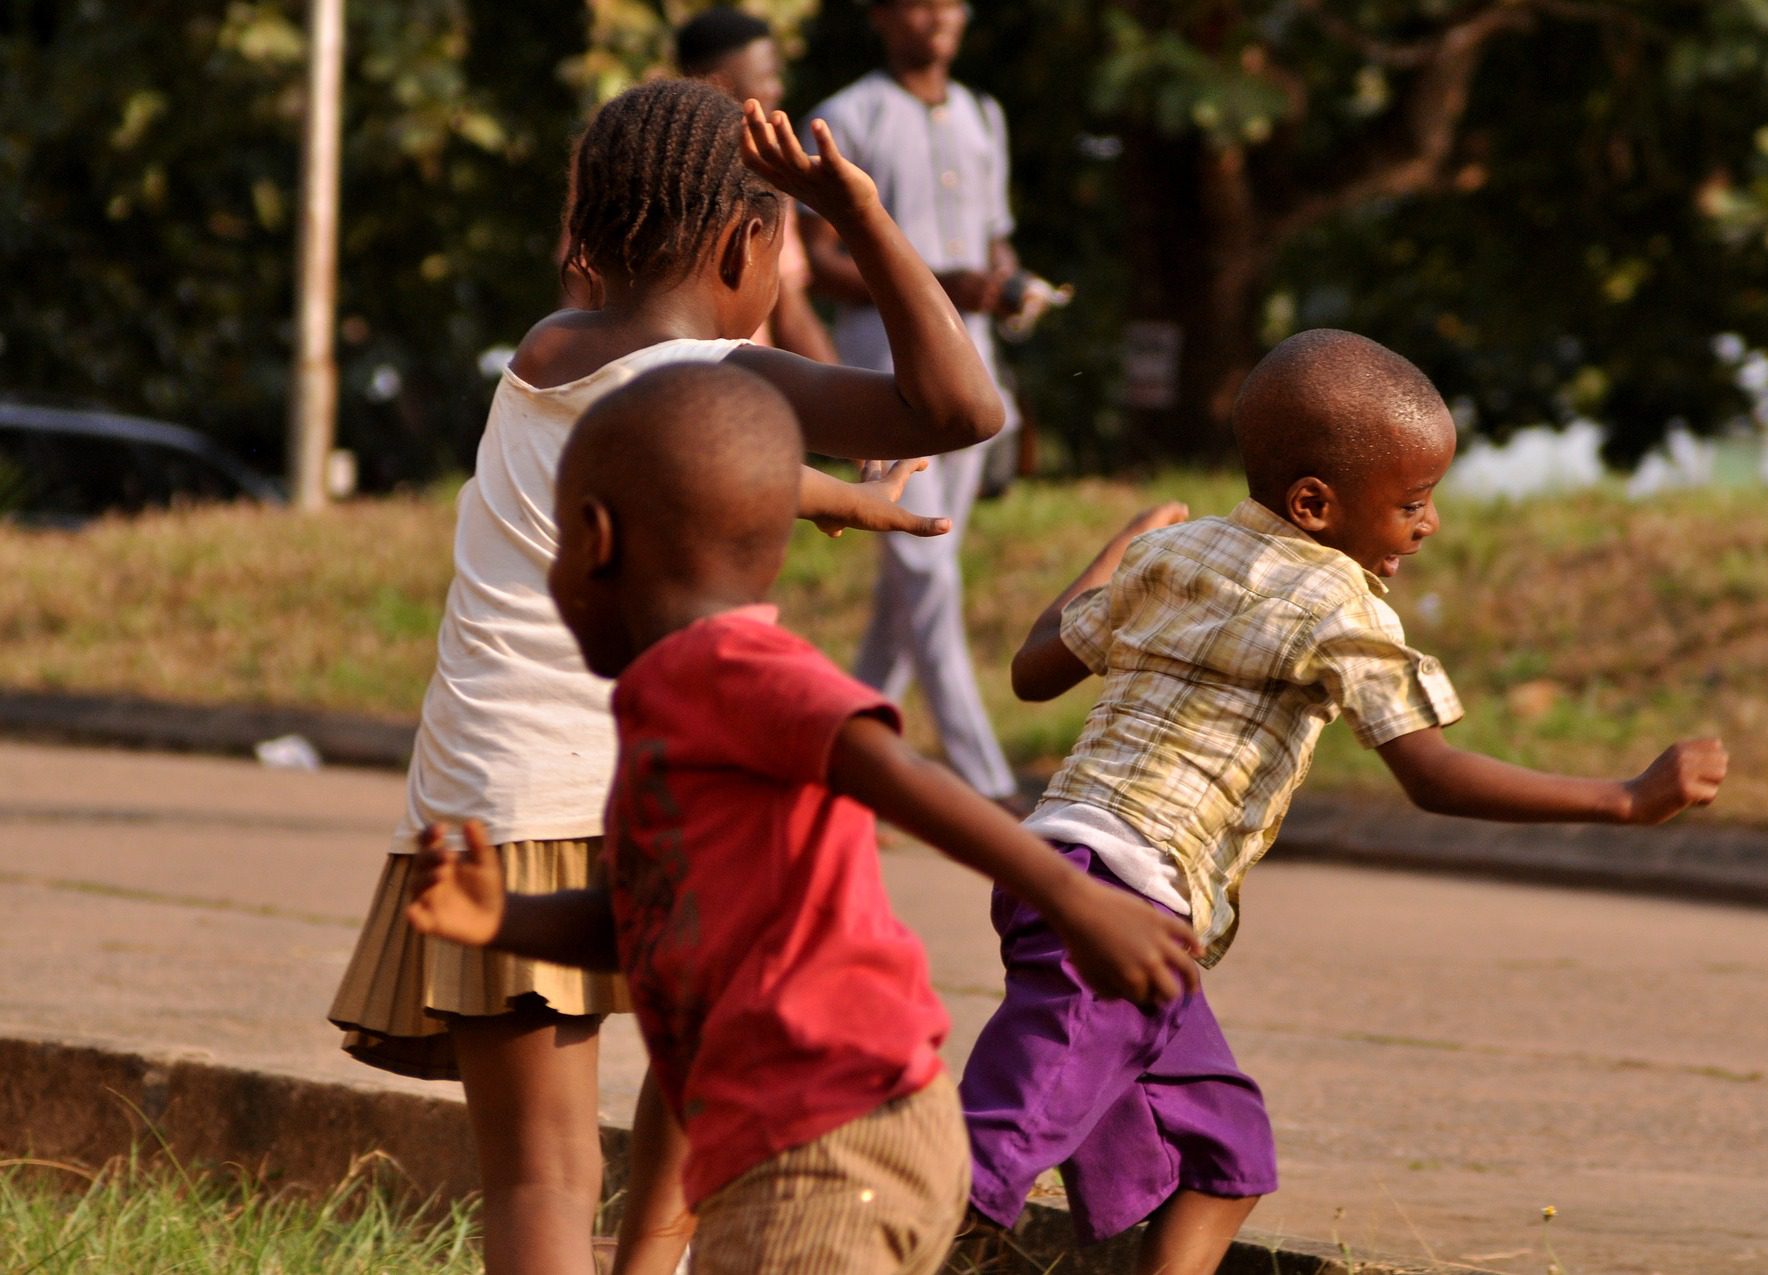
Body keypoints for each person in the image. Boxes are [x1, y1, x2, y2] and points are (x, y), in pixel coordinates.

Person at [328, 80, 1009, 1275]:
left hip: (497, 787)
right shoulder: (714, 372)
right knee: (703, 1078)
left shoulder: (554, 350)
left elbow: (663, 453)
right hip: (659, 781)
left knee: (539, 1176)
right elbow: (960, 405)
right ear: (755, 239)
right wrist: (860, 211)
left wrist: (832, 495)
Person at [404, 361, 1202, 1274]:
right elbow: (649, 921)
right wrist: (503, 918)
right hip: (797, 1148)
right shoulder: (671, 702)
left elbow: (886, 764)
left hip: (828, 1145)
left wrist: (1072, 895)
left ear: (592, 539)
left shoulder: (727, 666)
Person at [961, 328, 1731, 1275]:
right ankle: (849, 1235)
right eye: (1413, 502)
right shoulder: (1344, 607)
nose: (1429, 524)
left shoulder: (1176, 555)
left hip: (1069, 870)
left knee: (1227, 1156)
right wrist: (1623, 797)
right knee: (989, 1156)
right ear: (1316, 505)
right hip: (1124, 897)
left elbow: (1034, 667)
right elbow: (1431, 773)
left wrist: (1123, 547)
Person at [801, 0, 1028, 808]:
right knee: (924, 564)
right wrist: (937, 284)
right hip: (883, 370)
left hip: (974, 370)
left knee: (912, 583)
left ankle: (837, 768)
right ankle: (988, 783)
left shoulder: (982, 113)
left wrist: (1002, 287)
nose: (936, 18)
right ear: (880, 13)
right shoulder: (847, 115)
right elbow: (816, 259)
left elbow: (994, 236)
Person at [675, 7, 838, 363]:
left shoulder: (770, 170)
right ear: (717, 85)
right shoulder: (630, 163)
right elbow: (583, 290)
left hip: (745, 386)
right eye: (766, 77)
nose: (776, 89)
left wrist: (850, 398)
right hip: (650, 386)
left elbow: (789, 305)